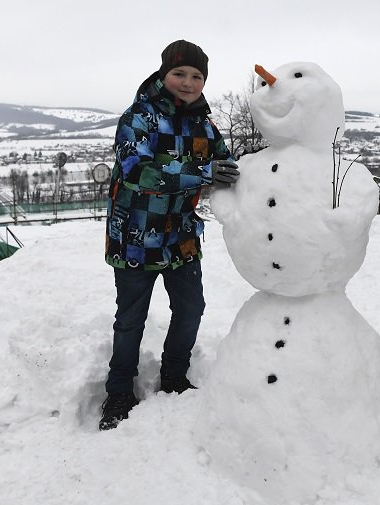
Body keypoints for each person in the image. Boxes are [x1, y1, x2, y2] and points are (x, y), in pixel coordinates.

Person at [100, 39, 240, 431]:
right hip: (134, 237)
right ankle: (119, 391)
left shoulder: (203, 124)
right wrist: (202, 173)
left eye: (197, 76)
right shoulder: (139, 117)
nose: (188, 82)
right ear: (164, 74)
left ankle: (175, 375)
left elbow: (226, 163)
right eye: (180, 73)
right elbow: (136, 171)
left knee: (191, 308)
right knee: (131, 318)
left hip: (181, 237)